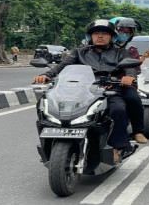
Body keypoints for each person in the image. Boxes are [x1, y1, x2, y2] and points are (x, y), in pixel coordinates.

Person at [33, 19, 138, 163]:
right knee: (47, 105)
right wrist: (47, 75)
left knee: (118, 109)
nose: (100, 36)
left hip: (109, 89)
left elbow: (130, 68)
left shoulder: (122, 53)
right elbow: (63, 65)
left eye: (104, 33)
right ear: (90, 37)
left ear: (112, 37)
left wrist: (129, 77)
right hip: (80, 90)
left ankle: (117, 147)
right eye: (96, 33)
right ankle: (49, 145)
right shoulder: (79, 52)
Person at [111, 17, 148, 144]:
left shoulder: (131, 50)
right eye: (121, 31)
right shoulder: (97, 48)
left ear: (132, 34)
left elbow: (132, 68)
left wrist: (129, 77)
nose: (124, 34)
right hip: (99, 83)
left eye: (128, 32)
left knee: (133, 99)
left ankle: (138, 131)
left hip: (123, 83)